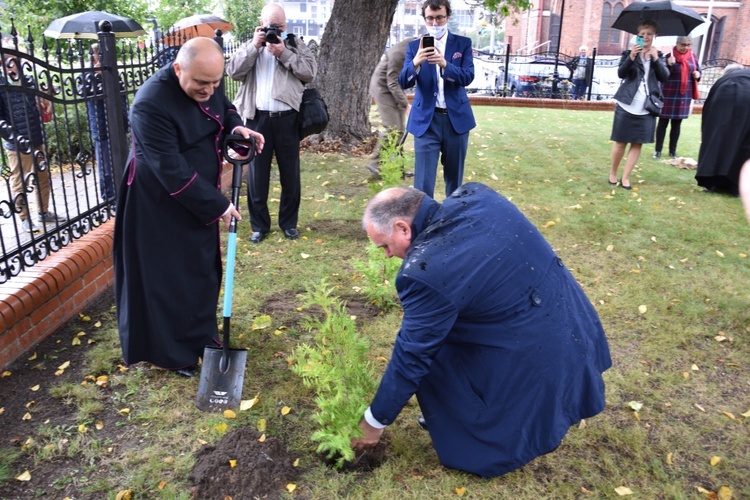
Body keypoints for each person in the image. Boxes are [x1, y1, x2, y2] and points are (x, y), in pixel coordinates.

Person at [352, 183, 612, 478]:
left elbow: (410, 357)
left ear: (402, 228)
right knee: (442, 335)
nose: (386, 255)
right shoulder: (477, 196)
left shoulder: (426, 272)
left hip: (541, 348)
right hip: (575, 321)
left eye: (384, 245)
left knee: (432, 356)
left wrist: (373, 424)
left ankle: (482, 432)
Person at [114, 37, 264, 377]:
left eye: (215, 82)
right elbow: (170, 169)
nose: (209, 89)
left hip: (197, 192)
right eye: (201, 83)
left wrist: (236, 125)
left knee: (199, 268)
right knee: (170, 277)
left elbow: (224, 106)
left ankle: (201, 336)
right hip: (157, 203)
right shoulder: (149, 104)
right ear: (178, 69)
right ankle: (174, 353)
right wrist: (220, 205)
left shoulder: (208, 81)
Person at [226, 3, 317, 244]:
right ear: (261, 22)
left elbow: (310, 73)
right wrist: (255, 47)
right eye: (270, 24)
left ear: (285, 25)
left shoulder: (296, 45)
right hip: (257, 119)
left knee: (290, 175)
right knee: (256, 176)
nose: (274, 29)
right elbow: (232, 71)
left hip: (288, 118)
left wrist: (284, 53)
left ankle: (289, 224)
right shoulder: (251, 45)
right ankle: (259, 226)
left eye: (279, 25)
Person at [398, 0, 476, 198]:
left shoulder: (462, 44)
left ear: (448, 17)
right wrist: (416, 62)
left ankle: (451, 223)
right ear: (424, 19)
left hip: (456, 120)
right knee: (423, 184)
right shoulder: (414, 46)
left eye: (440, 17)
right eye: (430, 18)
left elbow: (467, 77)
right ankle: (425, 225)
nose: (435, 23)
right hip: (426, 121)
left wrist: (444, 64)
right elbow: (403, 81)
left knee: (454, 183)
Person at [0, 47, 63, 233]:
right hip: (17, 141)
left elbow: (39, 104)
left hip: (35, 136)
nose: (13, 62)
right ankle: (24, 218)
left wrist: (47, 96)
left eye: (15, 58)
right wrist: (12, 136)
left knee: (43, 177)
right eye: (9, 59)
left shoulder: (28, 80)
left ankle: (43, 212)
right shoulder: (1, 83)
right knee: (20, 182)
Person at [608, 21, 669, 190]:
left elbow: (664, 77)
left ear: (654, 36)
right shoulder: (629, 53)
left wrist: (656, 59)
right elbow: (621, 73)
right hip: (627, 104)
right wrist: (631, 57)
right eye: (642, 34)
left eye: (649, 34)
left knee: (637, 143)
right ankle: (613, 173)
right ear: (637, 36)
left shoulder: (659, 55)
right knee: (621, 142)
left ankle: (626, 177)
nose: (646, 37)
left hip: (647, 106)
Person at [81, 43, 129, 201]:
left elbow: (121, 94)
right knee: (106, 167)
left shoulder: (113, 72)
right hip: (102, 128)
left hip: (119, 124)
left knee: (122, 161)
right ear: (95, 58)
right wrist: (98, 75)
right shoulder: (87, 75)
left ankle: (122, 194)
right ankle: (109, 197)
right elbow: (84, 94)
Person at [695, 68, 750, 195]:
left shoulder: (725, 79)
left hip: (723, 93)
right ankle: (735, 185)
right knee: (744, 139)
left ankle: (711, 181)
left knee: (716, 136)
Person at [366, 37, 414, 179]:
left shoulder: (416, 48)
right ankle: (375, 165)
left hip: (394, 87)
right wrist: (406, 105)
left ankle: (399, 169)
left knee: (400, 131)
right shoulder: (400, 53)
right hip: (383, 88)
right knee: (393, 129)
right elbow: (391, 82)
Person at [653, 36, 701, 159]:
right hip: (668, 93)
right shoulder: (668, 56)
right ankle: (657, 151)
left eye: (688, 45)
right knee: (663, 122)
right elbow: (661, 74)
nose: (686, 47)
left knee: (676, 124)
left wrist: (698, 74)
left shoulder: (693, 57)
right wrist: (668, 65)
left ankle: (672, 151)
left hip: (683, 95)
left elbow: (698, 71)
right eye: (683, 44)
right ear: (677, 44)